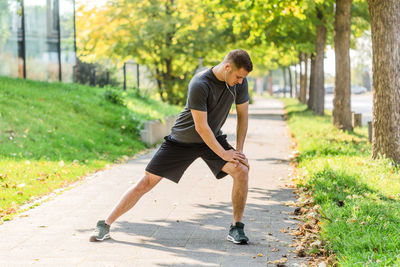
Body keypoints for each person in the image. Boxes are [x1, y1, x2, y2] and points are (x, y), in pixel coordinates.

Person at [90, 49, 253, 245]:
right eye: (238, 77)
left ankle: (236, 228)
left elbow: (243, 116)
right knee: (146, 183)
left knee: (241, 170)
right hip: (182, 141)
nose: (241, 82)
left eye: (243, 78)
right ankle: (105, 224)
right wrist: (224, 153)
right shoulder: (200, 84)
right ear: (227, 67)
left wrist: (238, 152)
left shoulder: (239, 83)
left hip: (213, 139)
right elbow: (201, 127)